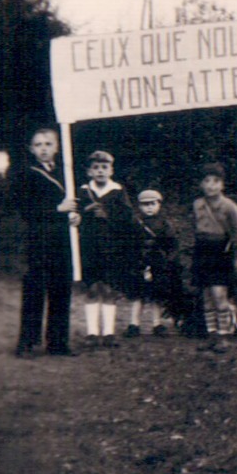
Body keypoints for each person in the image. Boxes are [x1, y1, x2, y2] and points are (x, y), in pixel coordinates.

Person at [10, 127, 77, 357]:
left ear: (57, 147)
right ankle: (26, 343)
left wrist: (75, 215)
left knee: (61, 289)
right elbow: (26, 209)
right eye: (38, 145)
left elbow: (74, 204)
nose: (44, 149)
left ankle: (57, 342)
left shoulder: (65, 173)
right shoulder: (26, 174)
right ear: (31, 149)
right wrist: (58, 209)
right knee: (34, 290)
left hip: (61, 240)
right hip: (38, 239)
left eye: (48, 144)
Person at [76, 149, 136, 350]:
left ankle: (108, 332)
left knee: (109, 289)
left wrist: (108, 214)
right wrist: (84, 212)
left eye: (104, 167)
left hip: (112, 248)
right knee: (92, 288)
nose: (100, 171)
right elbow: (75, 217)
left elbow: (128, 219)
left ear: (111, 170)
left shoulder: (118, 191)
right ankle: (92, 333)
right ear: (89, 172)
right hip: (90, 247)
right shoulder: (83, 191)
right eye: (96, 168)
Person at [190, 162, 237, 353]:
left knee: (219, 295)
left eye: (215, 181)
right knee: (206, 297)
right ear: (201, 184)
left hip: (220, 252)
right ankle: (212, 335)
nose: (211, 185)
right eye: (206, 181)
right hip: (202, 251)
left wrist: (236, 256)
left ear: (222, 185)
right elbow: (195, 227)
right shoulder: (197, 204)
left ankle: (223, 336)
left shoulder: (229, 206)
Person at [126, 188, 181, 338]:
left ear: (159, 205)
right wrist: (134, 260)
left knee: (157, 295)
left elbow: (173, 244)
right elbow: (130, 244)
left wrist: (169, 260)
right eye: (145, 204)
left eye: (152, 204)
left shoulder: (165, 224)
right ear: (139, 206)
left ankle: (157, 323)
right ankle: (134, 324)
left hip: (158, 263)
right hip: (140, 263)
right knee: (138, 295)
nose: (149, 207)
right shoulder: (136, 223)